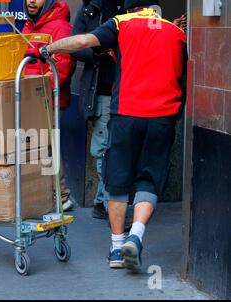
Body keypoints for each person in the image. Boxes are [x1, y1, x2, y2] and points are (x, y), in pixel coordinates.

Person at [30, 0, 187, 271]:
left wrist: (49, 49)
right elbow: (182, 78)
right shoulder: (176, 32)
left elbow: (82, 42)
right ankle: (136, 236)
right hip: (162, 118)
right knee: (148, 180)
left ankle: (117, 248)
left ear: (129, 8)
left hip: (127, 114)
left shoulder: (121, 23)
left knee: (118, 181)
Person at [22, 0, 77, 211]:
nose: (31, 1)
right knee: (39, 147)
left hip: (47, 99)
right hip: (29, 98)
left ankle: (62, 196)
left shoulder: (61, 27)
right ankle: (46, 194)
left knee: (48, 148)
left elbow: (62, 67)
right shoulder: (30, 25)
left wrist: (39, 90)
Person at [71, 0, 124, 220]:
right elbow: (75, 46)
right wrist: (98, 52)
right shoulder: (88, 10)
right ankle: (103, 202)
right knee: (103, 148)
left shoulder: (127, 10)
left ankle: (107, 200)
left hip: (125, 91)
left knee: (118, 147)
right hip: (100, 91)